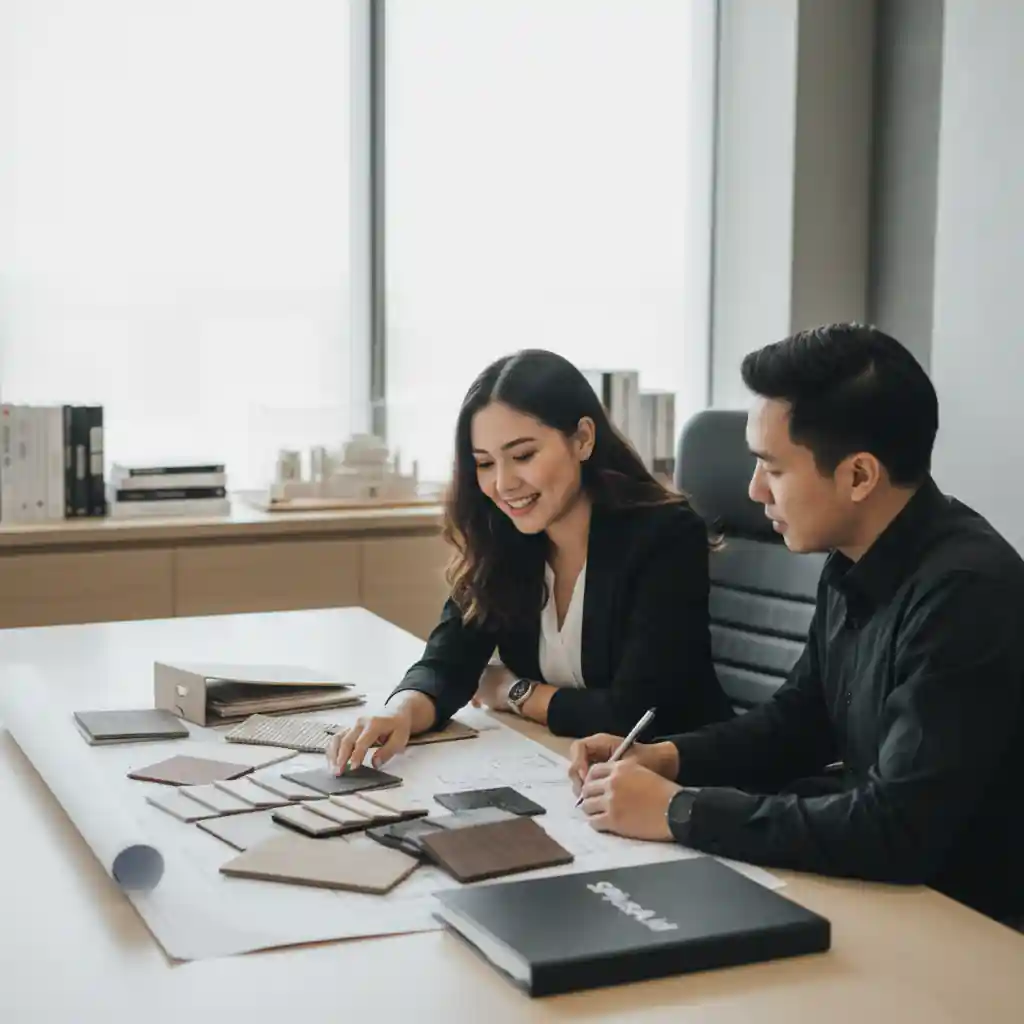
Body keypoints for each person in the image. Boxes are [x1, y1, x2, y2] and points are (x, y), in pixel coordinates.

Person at [570, 323, 1024, 925]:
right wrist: (666, 759)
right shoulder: (853, 559)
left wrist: (681, 811)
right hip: (880, 891)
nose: (754, 490)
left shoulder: (966, 595)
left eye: (773, 469)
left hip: (966, 923)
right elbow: (799, 722)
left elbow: (898, 828)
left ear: (859, 476)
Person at [328, 348, 733, 772]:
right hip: (565, 764)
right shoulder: (507, 536)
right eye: (485, 463)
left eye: (523, 456)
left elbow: (632, 715)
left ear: (583, 439)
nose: (503, 484)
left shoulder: (665, 536)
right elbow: (448, 662)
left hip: (681, 782)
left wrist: (513, 692)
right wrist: (399, 712)